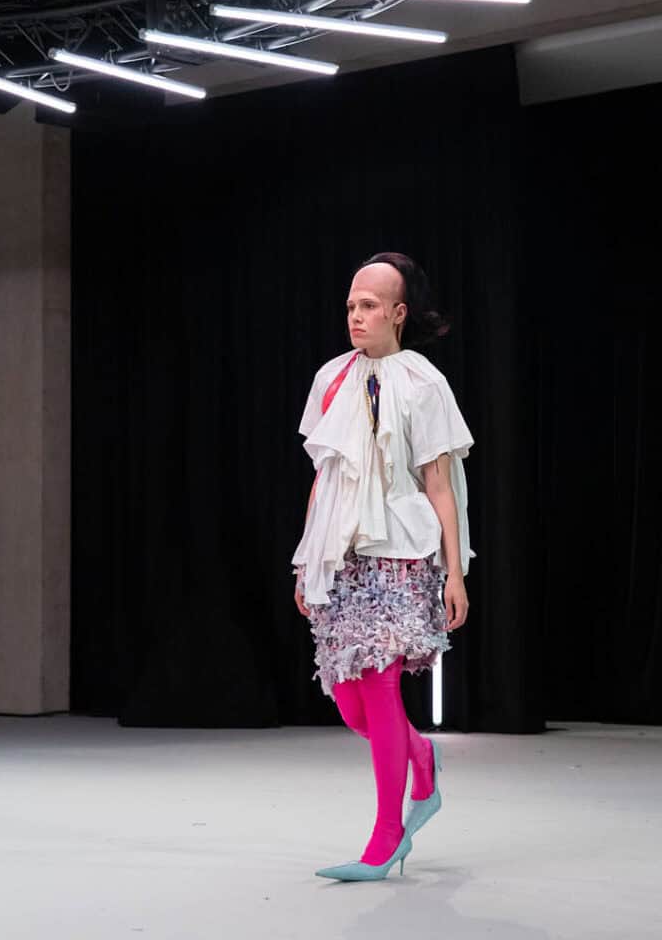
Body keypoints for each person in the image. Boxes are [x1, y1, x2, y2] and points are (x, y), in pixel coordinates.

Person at [291, 252, 474, 881]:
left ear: (399, 313)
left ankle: (386, 836)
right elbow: (326, 476)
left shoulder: (423, 382)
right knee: (351, 704)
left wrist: (455, 572)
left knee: (379, 686)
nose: (356, 316)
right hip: (342, 557)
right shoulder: (331, 379)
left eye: (369, 305)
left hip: (400, 553)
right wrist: (306, 563)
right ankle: (422, 758)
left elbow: (440, 484)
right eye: (350, 305)